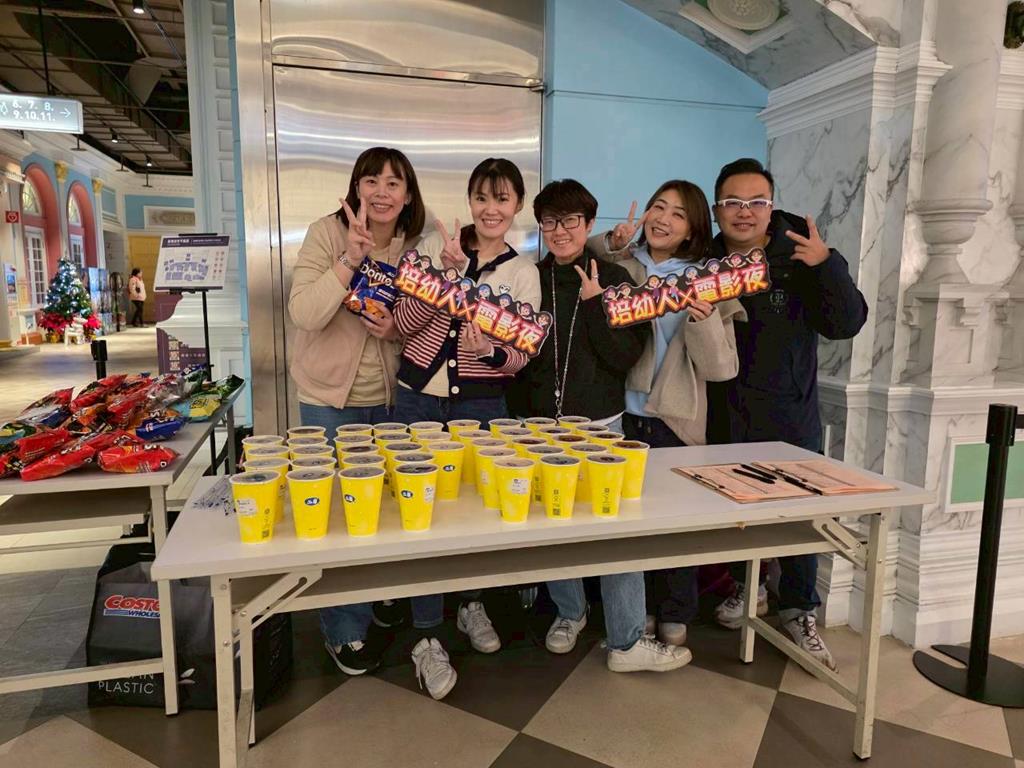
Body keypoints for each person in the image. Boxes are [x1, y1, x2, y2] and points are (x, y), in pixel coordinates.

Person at [512, 178, 690, 673]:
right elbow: (518, 359)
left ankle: (627, 641)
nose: (560, 230)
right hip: (537, 428)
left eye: (571, 220)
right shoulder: (530, 279)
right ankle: (570, 612)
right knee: (552, 529)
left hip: (600, 426)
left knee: (616, 533)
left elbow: (624, 357)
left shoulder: (615, 280)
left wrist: (595, 305)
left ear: (589, 223)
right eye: (550, 221)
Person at [705, 158, 868, 670]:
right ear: (717, 209)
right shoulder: (704, 260)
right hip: (723, 413)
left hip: (789, 416)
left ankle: (799, 609)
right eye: (733, 202)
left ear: (770, 206)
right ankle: (746, 587)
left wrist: (826, 264)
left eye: (756, 202)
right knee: (733, 513)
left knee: (799, 518)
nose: (745, 211)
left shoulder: (801, 253)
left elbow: (847, 323)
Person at [391, 157, 541, 699]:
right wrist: (449, 276)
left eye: (502, 199)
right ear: (470, 200)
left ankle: (471, 605)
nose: (490, 209)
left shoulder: (523, 273)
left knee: (475, 512)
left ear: (517, 205)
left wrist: (491, 351)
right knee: (420, 515)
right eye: (482, 197)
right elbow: (401, 324)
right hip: (418, 400)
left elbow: (520, 356)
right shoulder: (435, 247)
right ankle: (426, 633)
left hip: (481, 406)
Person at [287, 146, 427, 678]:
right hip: (329, 400)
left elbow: (429, 324)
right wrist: (348, 259)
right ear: (356, 188)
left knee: (386, 509)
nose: (382, 192)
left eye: (394, 183)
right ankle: (344, 627)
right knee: (337, 517)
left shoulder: (415, 248)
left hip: (392, 401)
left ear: (408, 195)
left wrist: (395, 330)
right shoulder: (326, 234)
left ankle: (379, 596)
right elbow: (304, 313)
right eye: (372, 181)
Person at [589, 180, 745, 648]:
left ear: (693, 228)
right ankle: (637, 611)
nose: (663, 219)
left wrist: (705, 319)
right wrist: (613, 240)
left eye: (679, 214)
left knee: (675, 526)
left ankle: (675, 610)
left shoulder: (708, 280)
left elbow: (721, 369)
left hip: (676, 422)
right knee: (628, 526)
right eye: (659, 207)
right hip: (621, 419)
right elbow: (582, 253)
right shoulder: (623, 266)